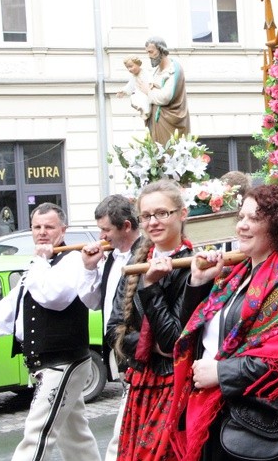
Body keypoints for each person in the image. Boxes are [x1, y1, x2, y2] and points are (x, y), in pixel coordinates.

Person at [168, 185, 278, 461]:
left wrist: (222, 372)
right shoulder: (238, 274)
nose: (242, 226)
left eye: (254, 219)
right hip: (225, 420)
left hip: (267, 430)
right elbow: (193, 333)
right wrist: (197, 283)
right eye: (241, 217)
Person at [0, 202, 101, 461]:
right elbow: (15, 301)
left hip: (64, 361)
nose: (42, 232)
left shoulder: (72, 260)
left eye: (49, 227)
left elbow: (51, 296)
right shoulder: (40, 265)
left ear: (63, 229)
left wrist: (41, 260)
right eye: (37, 227)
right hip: (50, 362)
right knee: (75, 436)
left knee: (37, 432)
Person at [107, 180, 194, 461]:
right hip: (142, 383)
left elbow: (174, 341)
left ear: (182, 214)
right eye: (146, 216)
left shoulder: (195, 265)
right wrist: (149, 345)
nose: (153, 222)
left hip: (177, 384)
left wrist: (151, 287)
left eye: (162, 213)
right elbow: (113, 330)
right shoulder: (136, 262)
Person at [80, 194, 141, 461]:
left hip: (135, 351)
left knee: (124, 428)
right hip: (116, 349)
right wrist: (89, 270)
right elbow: (95, 303)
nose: (101, 236)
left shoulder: (145, 254)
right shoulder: (112, 257)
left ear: (126, 226)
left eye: (106, 229)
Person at [144, 36, 191, 145]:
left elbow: (165, 97)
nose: (149, 56)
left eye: (151, 52)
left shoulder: (174, 69)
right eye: (147, 53)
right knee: (157, 154)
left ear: (160, 50)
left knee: (169, 153)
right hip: (157, 121)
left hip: (171, 121)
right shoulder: (155, 71)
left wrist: (148, 92)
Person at [117, 56, 153, 121]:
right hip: (138, 92)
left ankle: (146, 111)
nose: (129, 69)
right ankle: (142, 110)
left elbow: (151, 80)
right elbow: (130, 85)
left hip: (146, 92)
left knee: (144, 100)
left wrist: (150, 87)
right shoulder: (133, 76)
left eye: (131, 66)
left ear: (138, 64)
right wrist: (123, 91)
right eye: (127, 68)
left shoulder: (145, 72)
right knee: (134, 98)